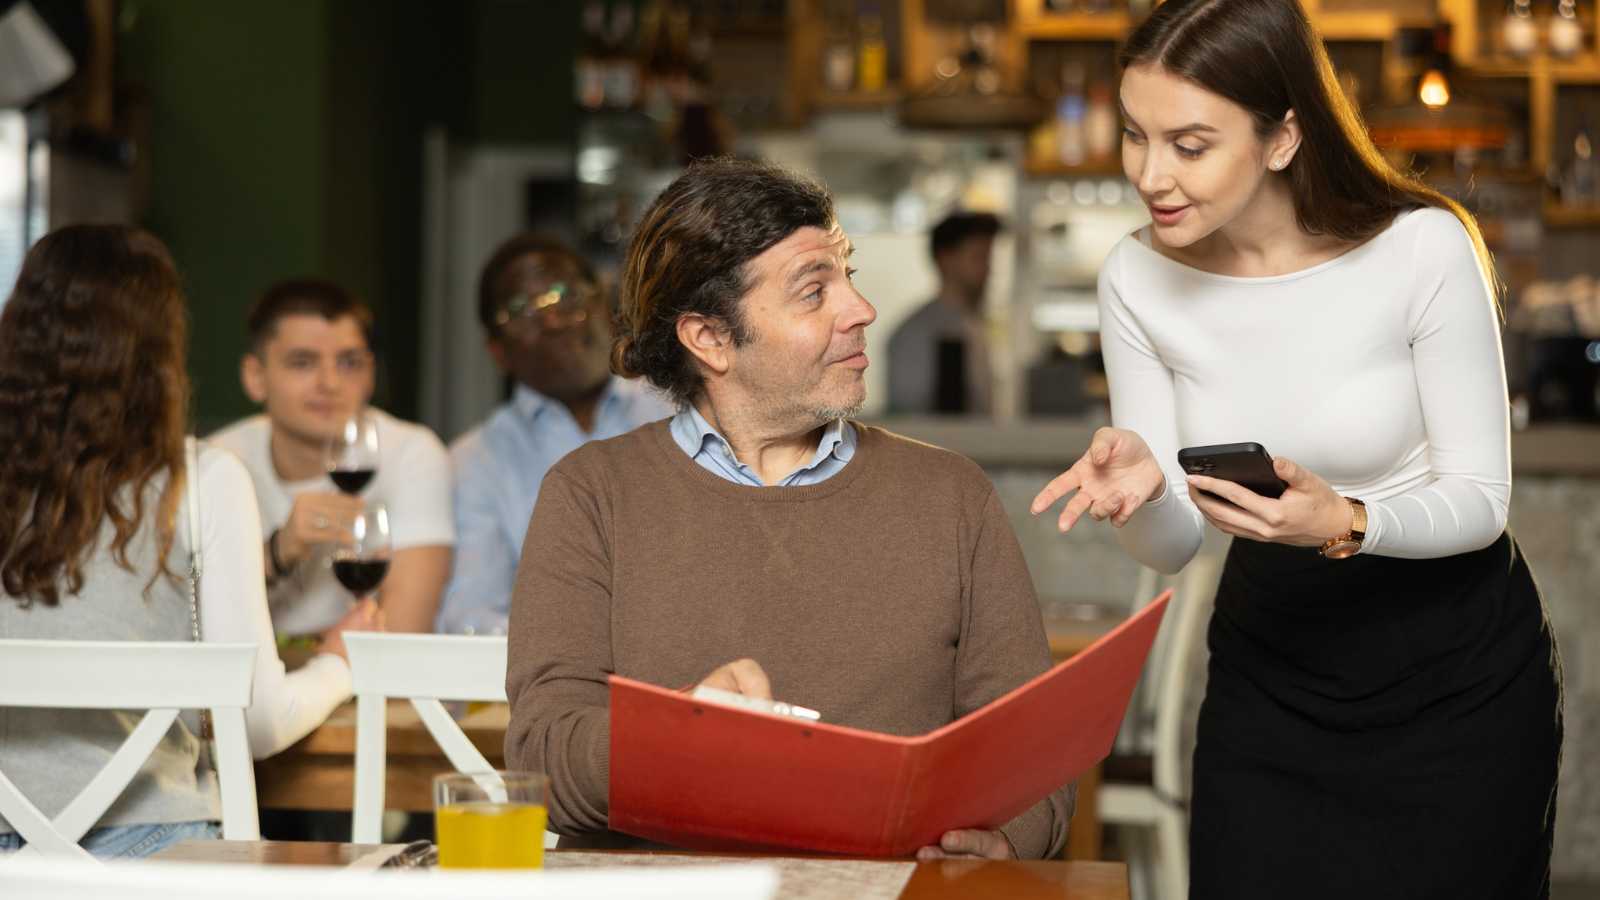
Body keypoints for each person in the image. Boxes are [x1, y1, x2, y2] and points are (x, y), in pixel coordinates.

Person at [1028, 1, 1563, 896]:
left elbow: (1480, 502)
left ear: (1282, 138)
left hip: (1455, 676)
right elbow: (1171, 547)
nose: (1150, 175)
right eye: (1133, 135)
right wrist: (1144, 492)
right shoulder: (1135, 277)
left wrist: (1346, 519)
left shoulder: (1420, 249)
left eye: (1189, 145)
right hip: (1271, 671)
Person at [504, 157, 1073, 860]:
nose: (860, 310)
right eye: (814, 292)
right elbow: (542, 759)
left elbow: (1033, 759)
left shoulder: (953, 497)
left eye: (848, 275)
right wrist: (675, 741)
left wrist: (1007, 840)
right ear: (709, 338)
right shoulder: (591, 494)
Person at [0, 226, 372, 858]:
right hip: (156, 853)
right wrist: (344, 660)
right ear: (161, 354)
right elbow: (258, 723)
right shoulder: (204, 479)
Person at [435, 234, 671, 636]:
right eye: (521, 310)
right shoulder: (475, 462)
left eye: (565, 294)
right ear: (497, 352)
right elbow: (469, 619)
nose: (551, 319)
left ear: (606, 305)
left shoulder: (684, 406)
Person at [211, 280, 454, 637]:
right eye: (303, 362)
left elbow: (406, 632)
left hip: (365, 687)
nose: (330, 383)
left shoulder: (412, 453)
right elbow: (192, 623)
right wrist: (279, 551)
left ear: (370, 373)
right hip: (250, 689)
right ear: (255, 377)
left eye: (349, 363)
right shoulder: (219, 461)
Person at [887, 211, 1000, 415]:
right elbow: (909, 420)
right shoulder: (915, 334)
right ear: (946, 260)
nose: (988, 269)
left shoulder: (975, 326)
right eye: (979, 257)